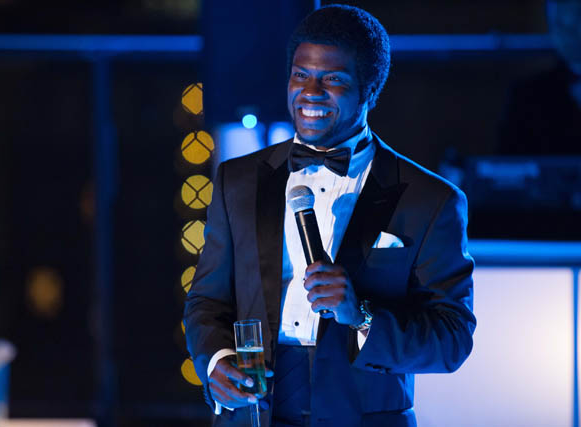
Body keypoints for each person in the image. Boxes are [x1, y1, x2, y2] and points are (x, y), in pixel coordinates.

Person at [184, 5, 476, 426]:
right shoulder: (239, 180)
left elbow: (452, 340)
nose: (311, 92)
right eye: (300, 75)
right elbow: (206, 300)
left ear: (370, 90)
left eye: (333, 79)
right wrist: (216, 360)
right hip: (252, 412)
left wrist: (361, 314)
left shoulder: (431, 200)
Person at [498, 0, 581, 155]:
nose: (567, 31)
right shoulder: (526, 95)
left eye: (577, 18)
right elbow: (507, 160)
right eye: (558, 23)